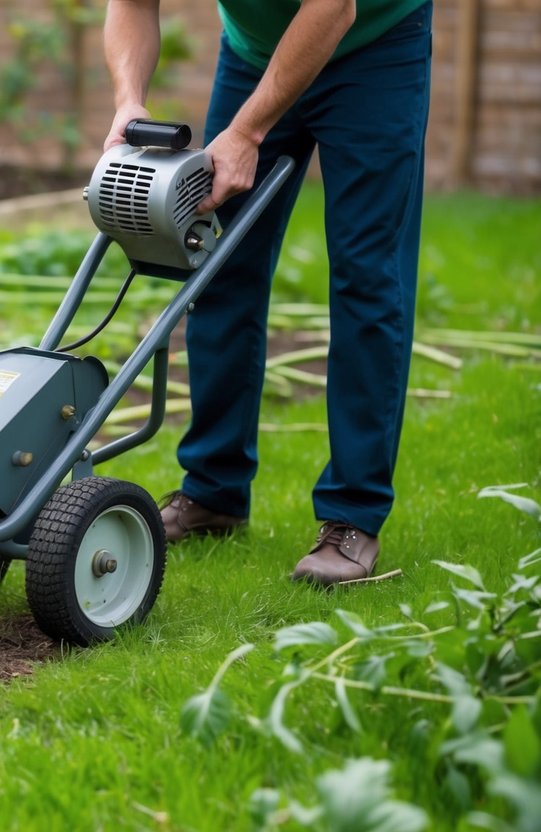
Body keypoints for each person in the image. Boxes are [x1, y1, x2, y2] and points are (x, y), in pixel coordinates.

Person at [102, 0, 433, 585]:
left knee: (366, 276)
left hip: (373, 46)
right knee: (221, 265)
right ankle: (214, 492)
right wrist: (128, 100)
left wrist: (248, 130)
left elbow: (333, 8)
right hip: (256, 53)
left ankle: (352, 517)